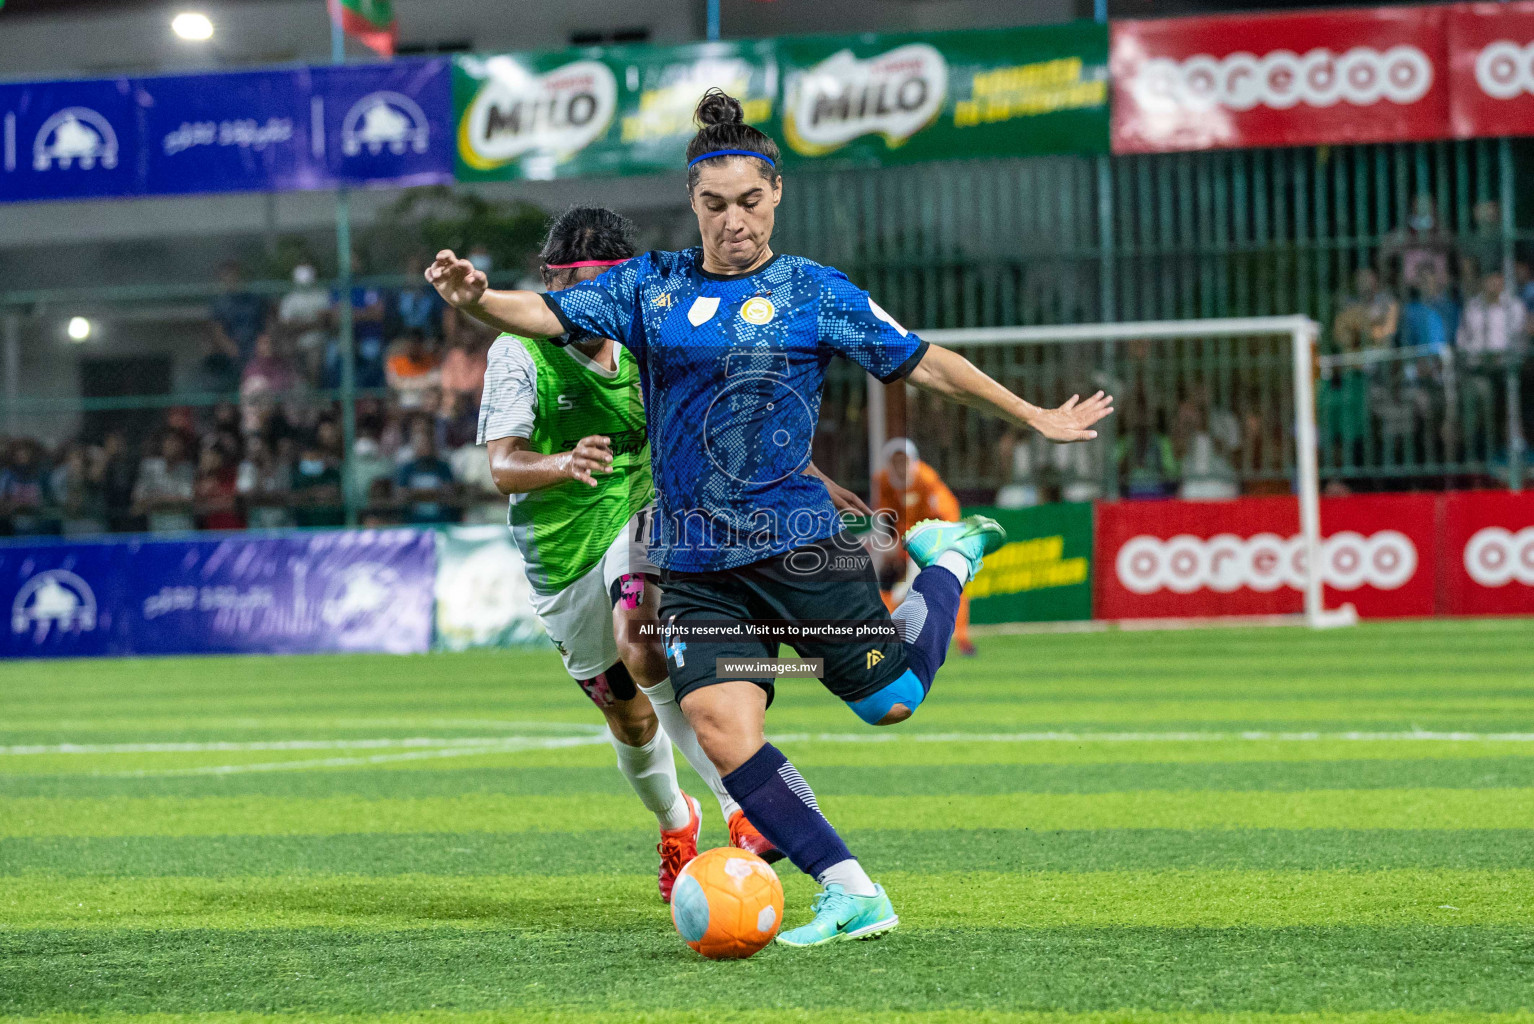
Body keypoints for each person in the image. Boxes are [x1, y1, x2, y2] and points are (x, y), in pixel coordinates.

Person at [427, 90, 1111, 946]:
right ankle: (852, 890)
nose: (733, 221)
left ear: (777, 194)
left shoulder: (813, 292)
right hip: (691, 561)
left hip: (796, 545)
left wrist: (1035, 415)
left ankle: (949, 558)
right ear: (693, 205)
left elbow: (925, 362)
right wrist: (479, 299)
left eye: (749, 201)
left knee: (892, 701)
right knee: (719, 730)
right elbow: (547, 314)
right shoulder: (653, 286)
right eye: (714, 205)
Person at [478, 205, 816, 900]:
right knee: (625, 714)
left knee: (643, 635)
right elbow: (503, 467)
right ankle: (675, 819)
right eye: (576, 287)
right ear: (553, 287)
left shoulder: (653, 340)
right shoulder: (518, 351)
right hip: (559, 554)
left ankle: (742, 807)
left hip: (642, 516)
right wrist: (563, 461)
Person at [871, 438, 975, 656]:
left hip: (937, 536)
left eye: (904, 461)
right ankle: (884, 635)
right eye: (895, 461)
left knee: (953, 584)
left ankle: (962, 638)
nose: (900, 467)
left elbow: (948, 514)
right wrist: (891, 543)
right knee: (888, 581)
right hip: (904, 539)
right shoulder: (883, 480)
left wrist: (942, 545)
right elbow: (886, 515)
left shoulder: (926, 479)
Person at [132, 432, 196, 533]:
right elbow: (139, 500)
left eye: (175, 442)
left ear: (182, 446)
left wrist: (155, 501)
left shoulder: (188, 469)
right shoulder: (149, 467)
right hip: (157, 531)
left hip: (183, 531)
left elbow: (188, 500)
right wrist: (173, 501)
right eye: (169, 441)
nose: (171, 445)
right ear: (162, 444)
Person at [209, 261, 269, 369]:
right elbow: (217, 330)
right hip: (233, 354)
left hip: (256, 349)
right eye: (227, 276)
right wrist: (230, 348)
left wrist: (262, 346)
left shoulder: (255, 300)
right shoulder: (220, 304)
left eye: (234, 275)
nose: (232, 279)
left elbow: (267, 323)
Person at [394, 425, 458, 525]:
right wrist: (432, 493)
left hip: (440, 521)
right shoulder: (407, 469)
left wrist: (416, 494)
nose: (425, 449)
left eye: (428, 445)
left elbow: (449, 492)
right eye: (421, 445)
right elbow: (401, 494)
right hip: (414, 521)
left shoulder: (443, 467)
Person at [385, 330, 441, 410]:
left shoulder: (431, 360)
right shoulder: (396, 361)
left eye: (416, 344)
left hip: (426, 406)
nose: (412, 348)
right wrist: (422, 381)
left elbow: (436, 379)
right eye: (410, 345)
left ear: (421, 345)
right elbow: (393, 382)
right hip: (402, 406)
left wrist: (407, 382)